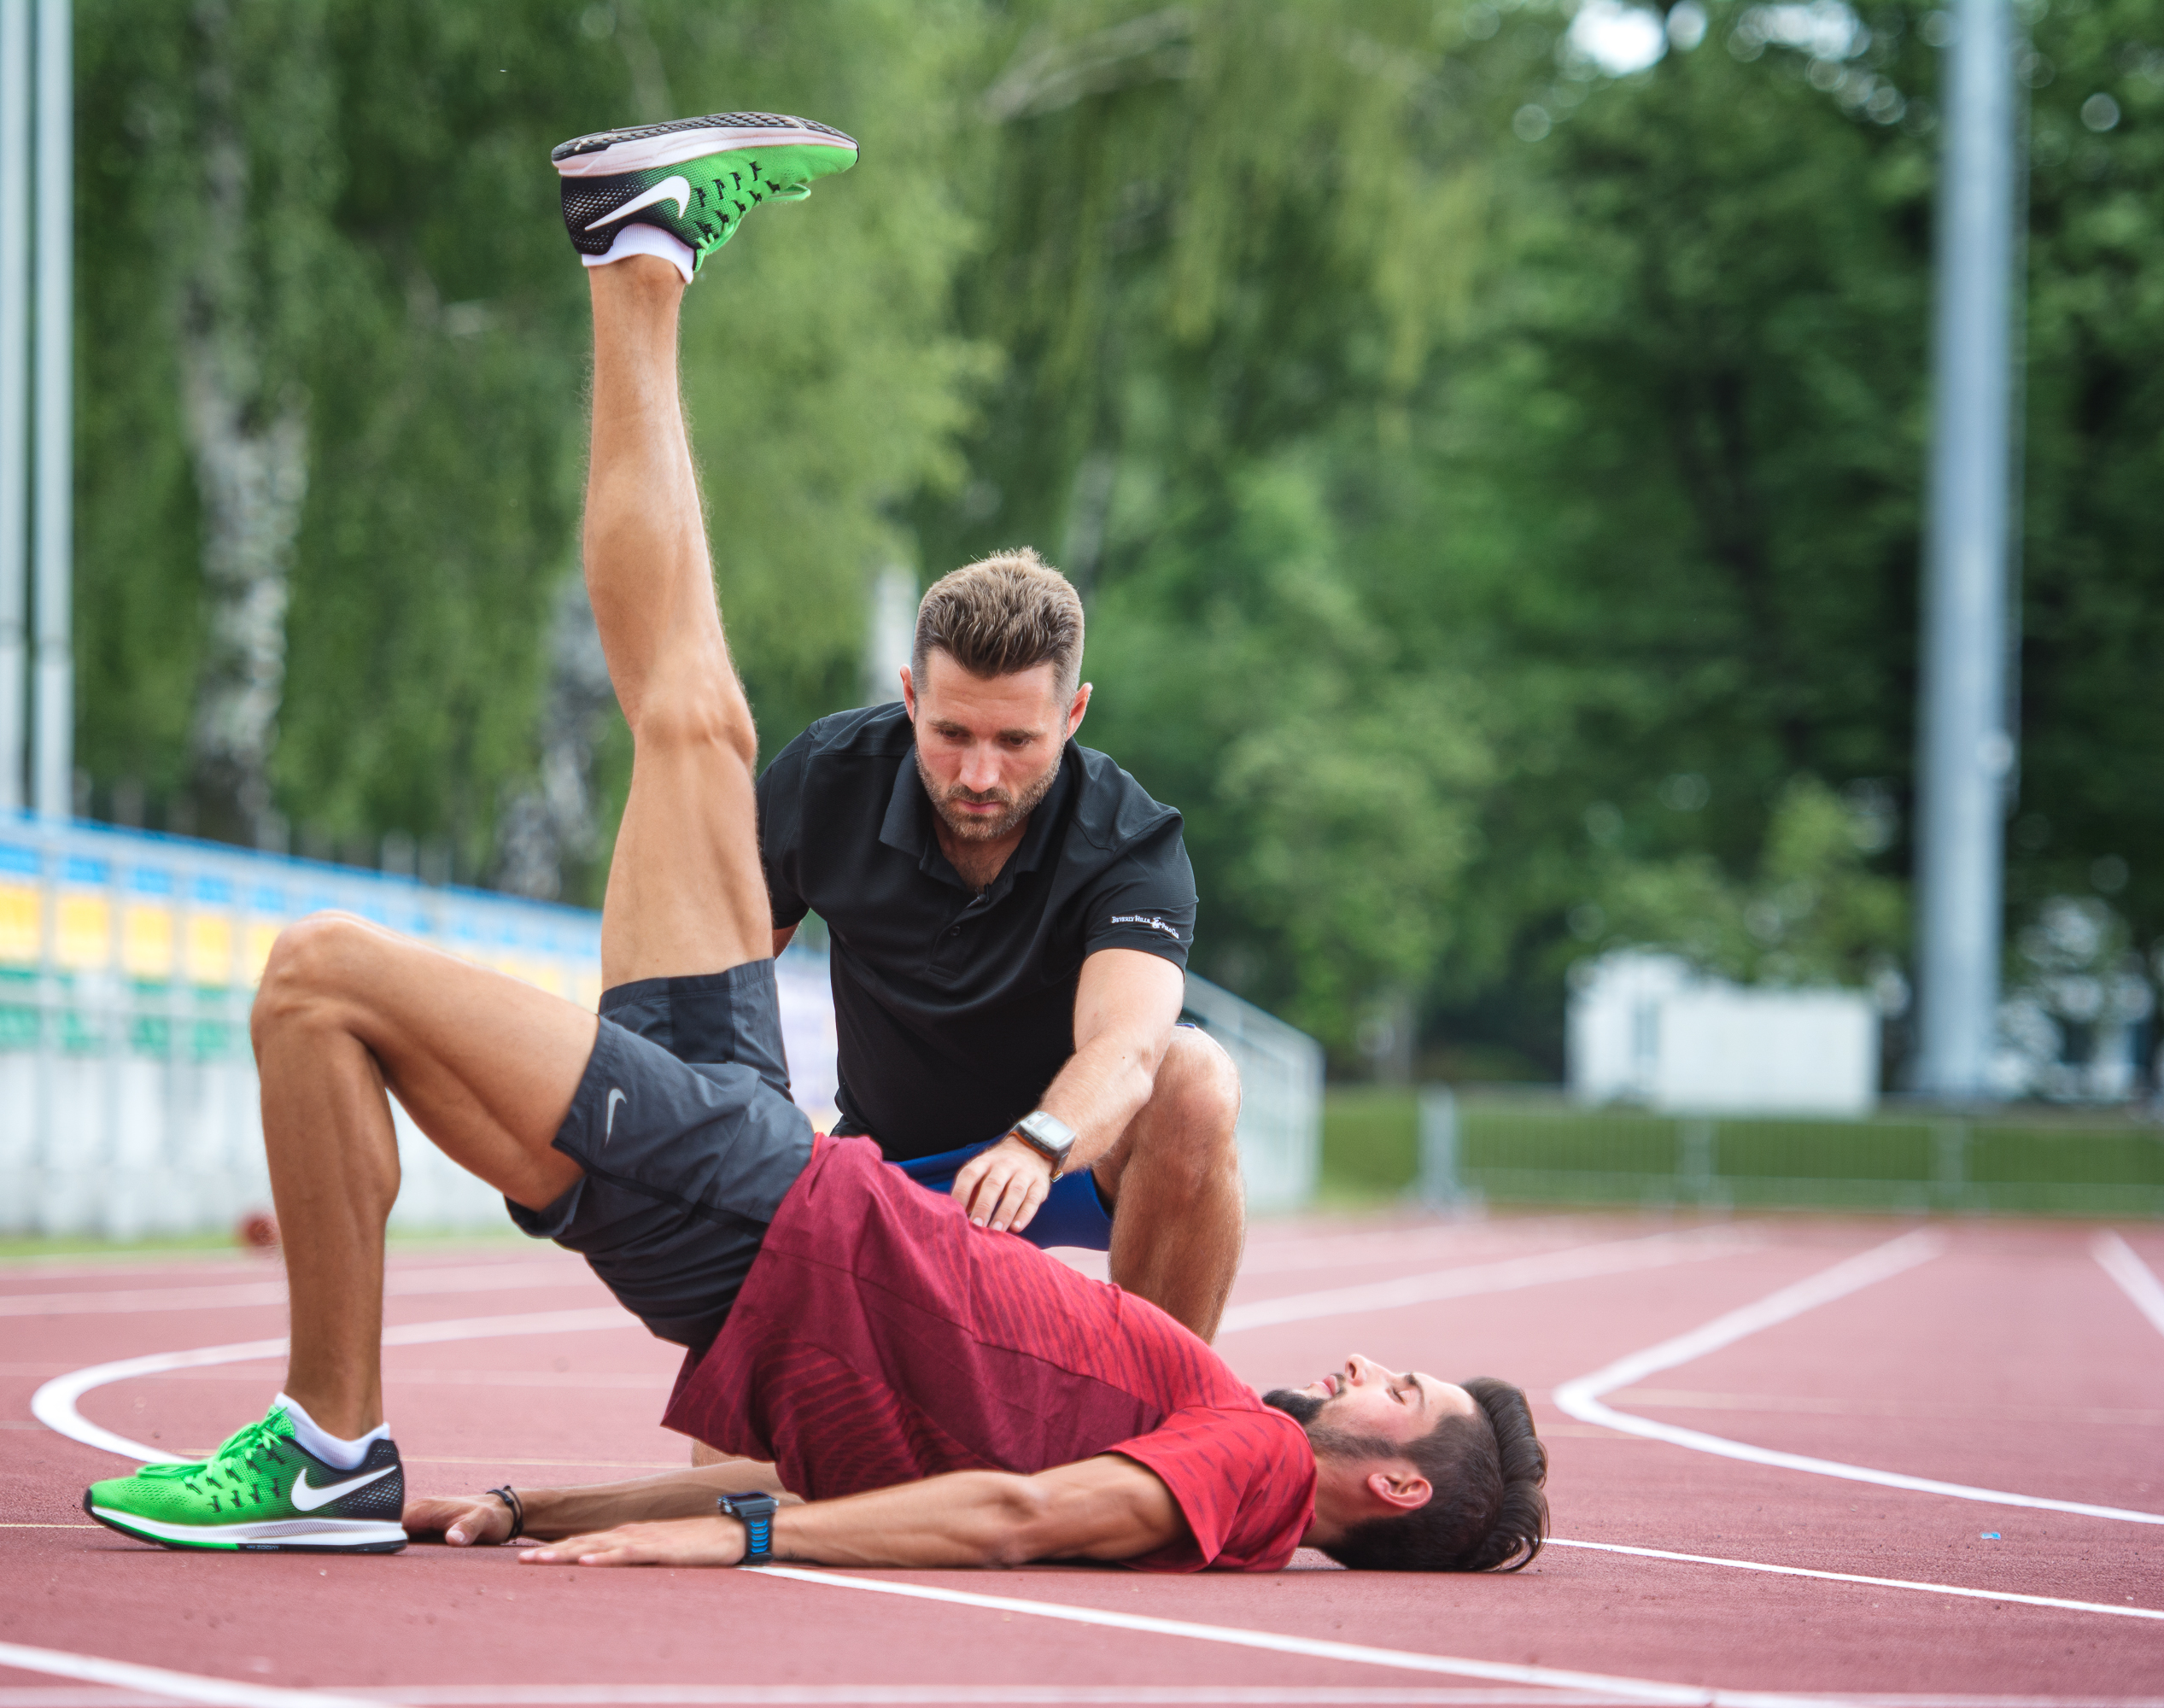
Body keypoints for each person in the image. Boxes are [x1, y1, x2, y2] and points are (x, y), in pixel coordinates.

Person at [77, 113, 1547, 1575]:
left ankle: (331, 1449)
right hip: (777, 1177)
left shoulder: (1246, 1462)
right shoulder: (1198, 1424)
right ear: (914, 703)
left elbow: (1013, 1515)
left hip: (776, 1217)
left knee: (322, 974)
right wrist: (543, 1509)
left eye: (1401, 1393)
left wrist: (750, 1543)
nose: (1364, 1368)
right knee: (688, 718)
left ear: (1398, 1488)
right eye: (947, 734)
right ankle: (636, 249)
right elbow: (853, 1467)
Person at [760, 552, 1247, 1342]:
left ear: (1074, 714)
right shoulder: (825, 777)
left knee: (1196, 1076)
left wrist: (1035, 1147)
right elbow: (719, 970)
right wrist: (755, 1129)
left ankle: (1169, 1417)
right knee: (749, 1456)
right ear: (910, 696)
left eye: (1017, 739)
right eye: (951, 733)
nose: (980, 775)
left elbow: (1130, 1048)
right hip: (885, 1168)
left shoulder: (1132, 842)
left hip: (1065, 1158)